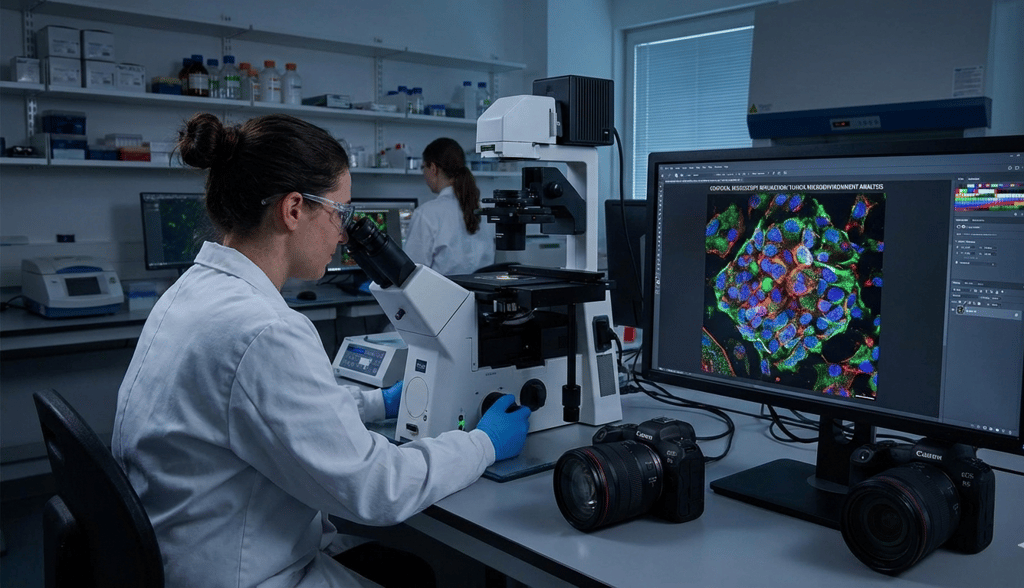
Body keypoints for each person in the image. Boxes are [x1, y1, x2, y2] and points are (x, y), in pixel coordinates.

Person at [111, 113, 531, 588]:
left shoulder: (191, 293)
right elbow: (376, 488)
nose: (344, 233)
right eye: (340, 212)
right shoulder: (265, 331)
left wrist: (378, 401)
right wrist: (483, 443)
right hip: (243, 572)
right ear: (293, 210)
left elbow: (263, 409)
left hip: (193, 551)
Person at [404, 137, 495, 274]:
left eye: (424, 167)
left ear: (433, 168)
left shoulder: (427, 214)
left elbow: (410, 275)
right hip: (481, 294)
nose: (424, 174)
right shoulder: (485, 211)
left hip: (442, 295)